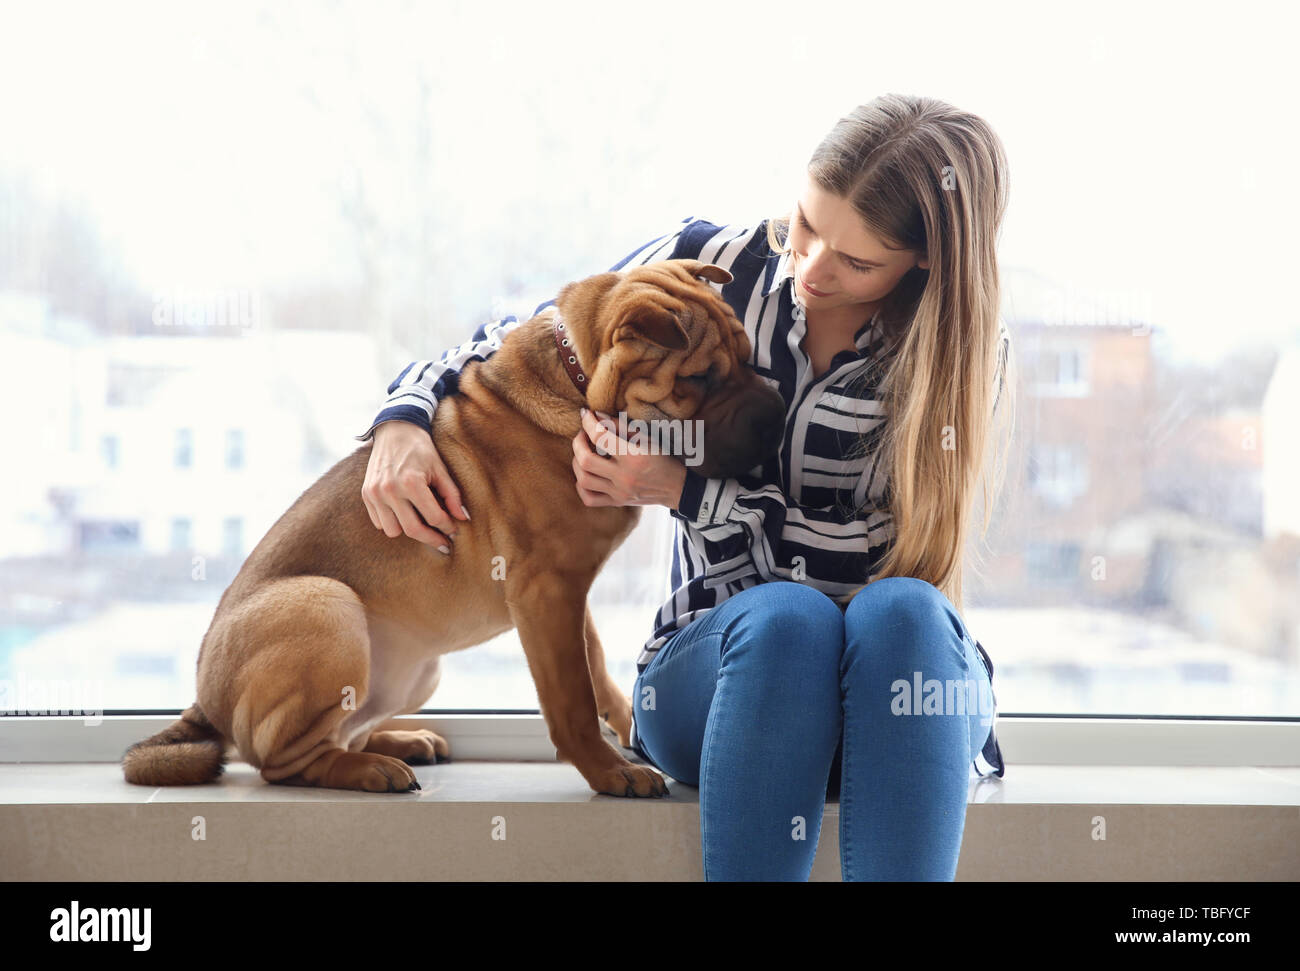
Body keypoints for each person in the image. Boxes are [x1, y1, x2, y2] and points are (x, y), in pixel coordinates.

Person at [355, 93, 1014, 881]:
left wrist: (687, 490)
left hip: (899, 704)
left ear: (926, 261)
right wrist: (403, 418)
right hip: (729, 690)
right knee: (785, 624)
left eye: (856, 261)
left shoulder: (957, 358)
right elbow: (513, 339)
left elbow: (873, 561)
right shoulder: (713, 262)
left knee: (904, 608)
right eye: (805, 224)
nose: (809, 268)